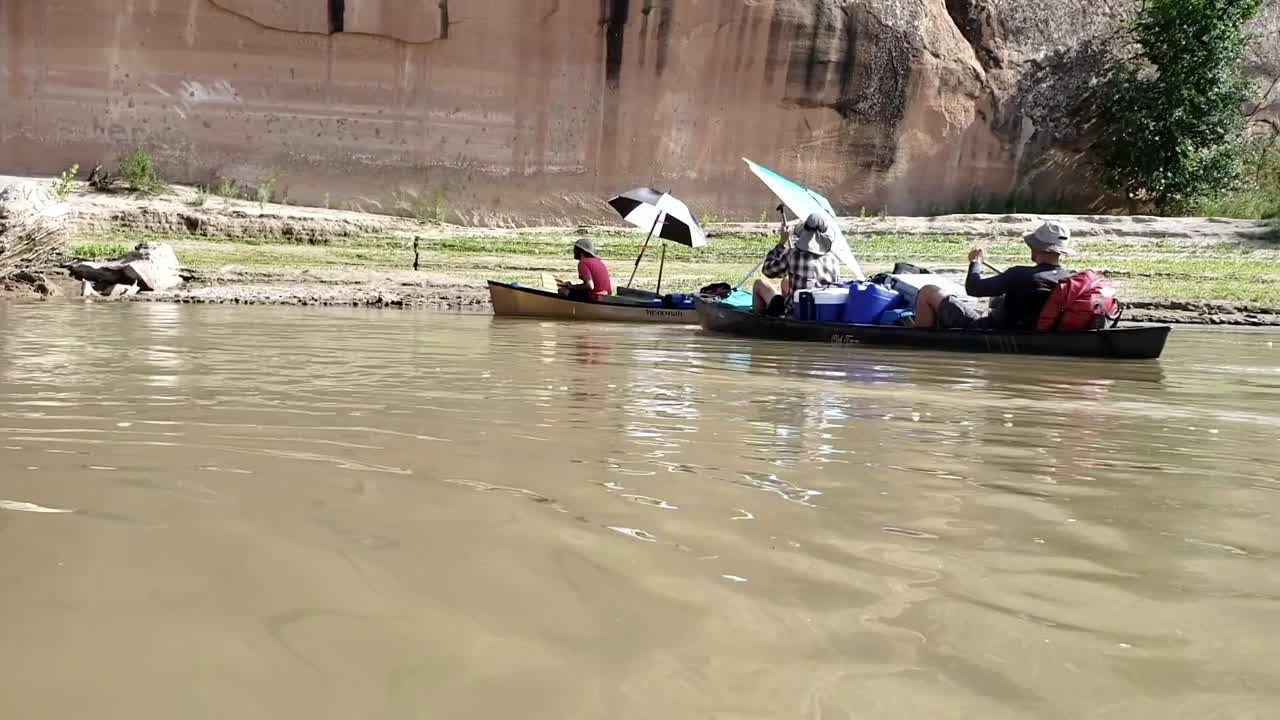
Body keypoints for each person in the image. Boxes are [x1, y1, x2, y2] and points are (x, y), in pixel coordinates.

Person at [913, 221, 1074, 330]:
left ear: (1036, 247)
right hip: (1024, 325)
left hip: (989, 326)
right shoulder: (1068, 279)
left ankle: (921, 341)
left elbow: (973, 288)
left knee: (928, 291)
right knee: (997, 299)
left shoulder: (1018, 274)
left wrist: (976, 262)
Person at [752, 212, 841, 315]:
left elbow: (767, 270)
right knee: (786, 281)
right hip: (820, 312)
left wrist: (781, 242)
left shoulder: (793, 255)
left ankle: (760, 322)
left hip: (798, 312)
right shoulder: (833, 259)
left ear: (805, 232)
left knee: (759, 284)